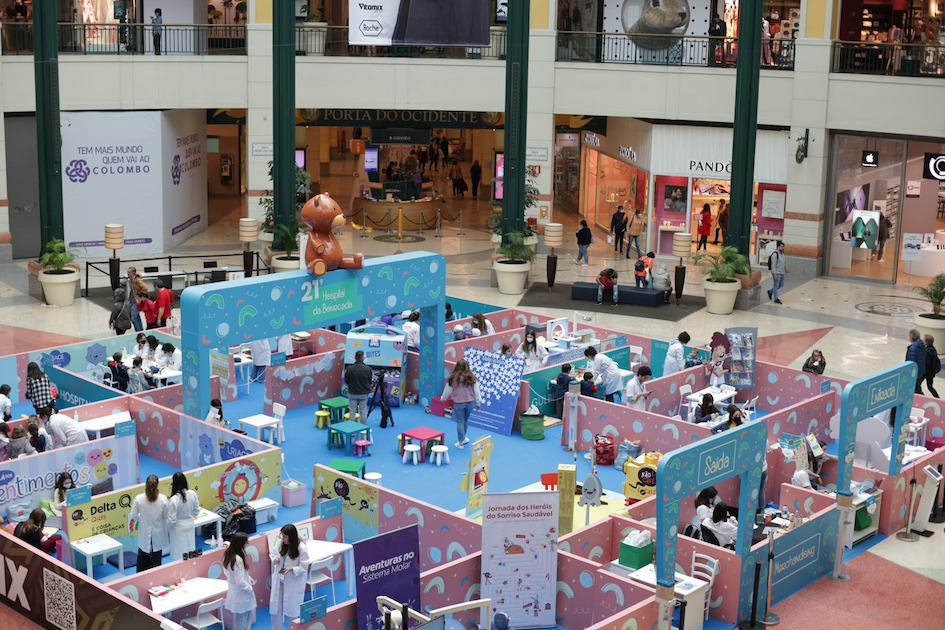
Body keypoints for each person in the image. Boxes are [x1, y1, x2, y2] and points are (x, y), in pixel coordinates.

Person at [269, 523, 310, 630]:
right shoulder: (281, 543)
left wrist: (292, 569)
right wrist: (275, 559)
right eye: (282, 536)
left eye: (285, 536)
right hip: (280, 580)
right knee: (276, 609)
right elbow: (273, 553)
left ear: (291, 537)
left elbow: (304, 567)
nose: (282, 539)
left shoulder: (301, 548)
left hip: (292, 582)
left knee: (291, 610)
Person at [129, 474, 169, 572]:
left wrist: (143, 517)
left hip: (144, 533)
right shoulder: (163, 499)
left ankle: (141, 578)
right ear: (157, 484)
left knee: (142, 558)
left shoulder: (138, 499)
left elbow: (134, 516)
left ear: (145, 484)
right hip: (158, 534)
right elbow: (166, 516)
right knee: (156, 560)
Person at [441, 360, 482, 449]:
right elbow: (477, 391)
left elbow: (447, 390)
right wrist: (478, 402)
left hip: (458, 403)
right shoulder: (472, 377)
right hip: (470, 403)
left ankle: (460, 442)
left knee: (460, 421)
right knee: (466, 419)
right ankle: (463, 438)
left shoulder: (453, 378)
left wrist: (443, 398)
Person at [223, 532, 256, 630]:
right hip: (241, 592)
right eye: (246, 543)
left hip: (236, 590)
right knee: (242, 619)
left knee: (246, 616)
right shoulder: (237, 559)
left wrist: (248, 580)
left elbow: (227, 573)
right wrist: (249, 588)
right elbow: (239, 580)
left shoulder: (229, 554)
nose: (247, 545)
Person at [167, 472, 201, 561]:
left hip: (178, 528)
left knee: (178, 554)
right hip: (190, 524)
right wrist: (190, 516)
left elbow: (171, 520)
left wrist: (170, 527)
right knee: (190, 551)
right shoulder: (193, 494)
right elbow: (197, 510)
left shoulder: (174, 499)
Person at [345, 350, 374, 424]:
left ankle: (351, 428)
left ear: (355, 357)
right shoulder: (368, 369)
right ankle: (363, 427)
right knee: (363, 411)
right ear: (363, 358)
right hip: (363, 394)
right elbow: (370, 381)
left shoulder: (349, 368)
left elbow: (346, 381)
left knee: (352, 411)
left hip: (352, 393)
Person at [124, 267, 149, 332]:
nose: (128, 274)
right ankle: (141, 331)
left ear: (133, 273)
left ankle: (138, 332)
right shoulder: (130, 280)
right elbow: (132, 291)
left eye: (129, 272)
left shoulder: (138, 280)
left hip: (137, 301)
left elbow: (145, 288)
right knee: (137, 317)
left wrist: (139, 296)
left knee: (134, 318)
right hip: (132, 300)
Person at [907, 329, 927, 395]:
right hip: (921, 370)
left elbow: (910, 362)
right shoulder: (922, 345)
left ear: (911, 338)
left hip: (914, 372)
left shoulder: (912, 348)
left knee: (916, 389)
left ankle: (922, 399)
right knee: (918, 387)